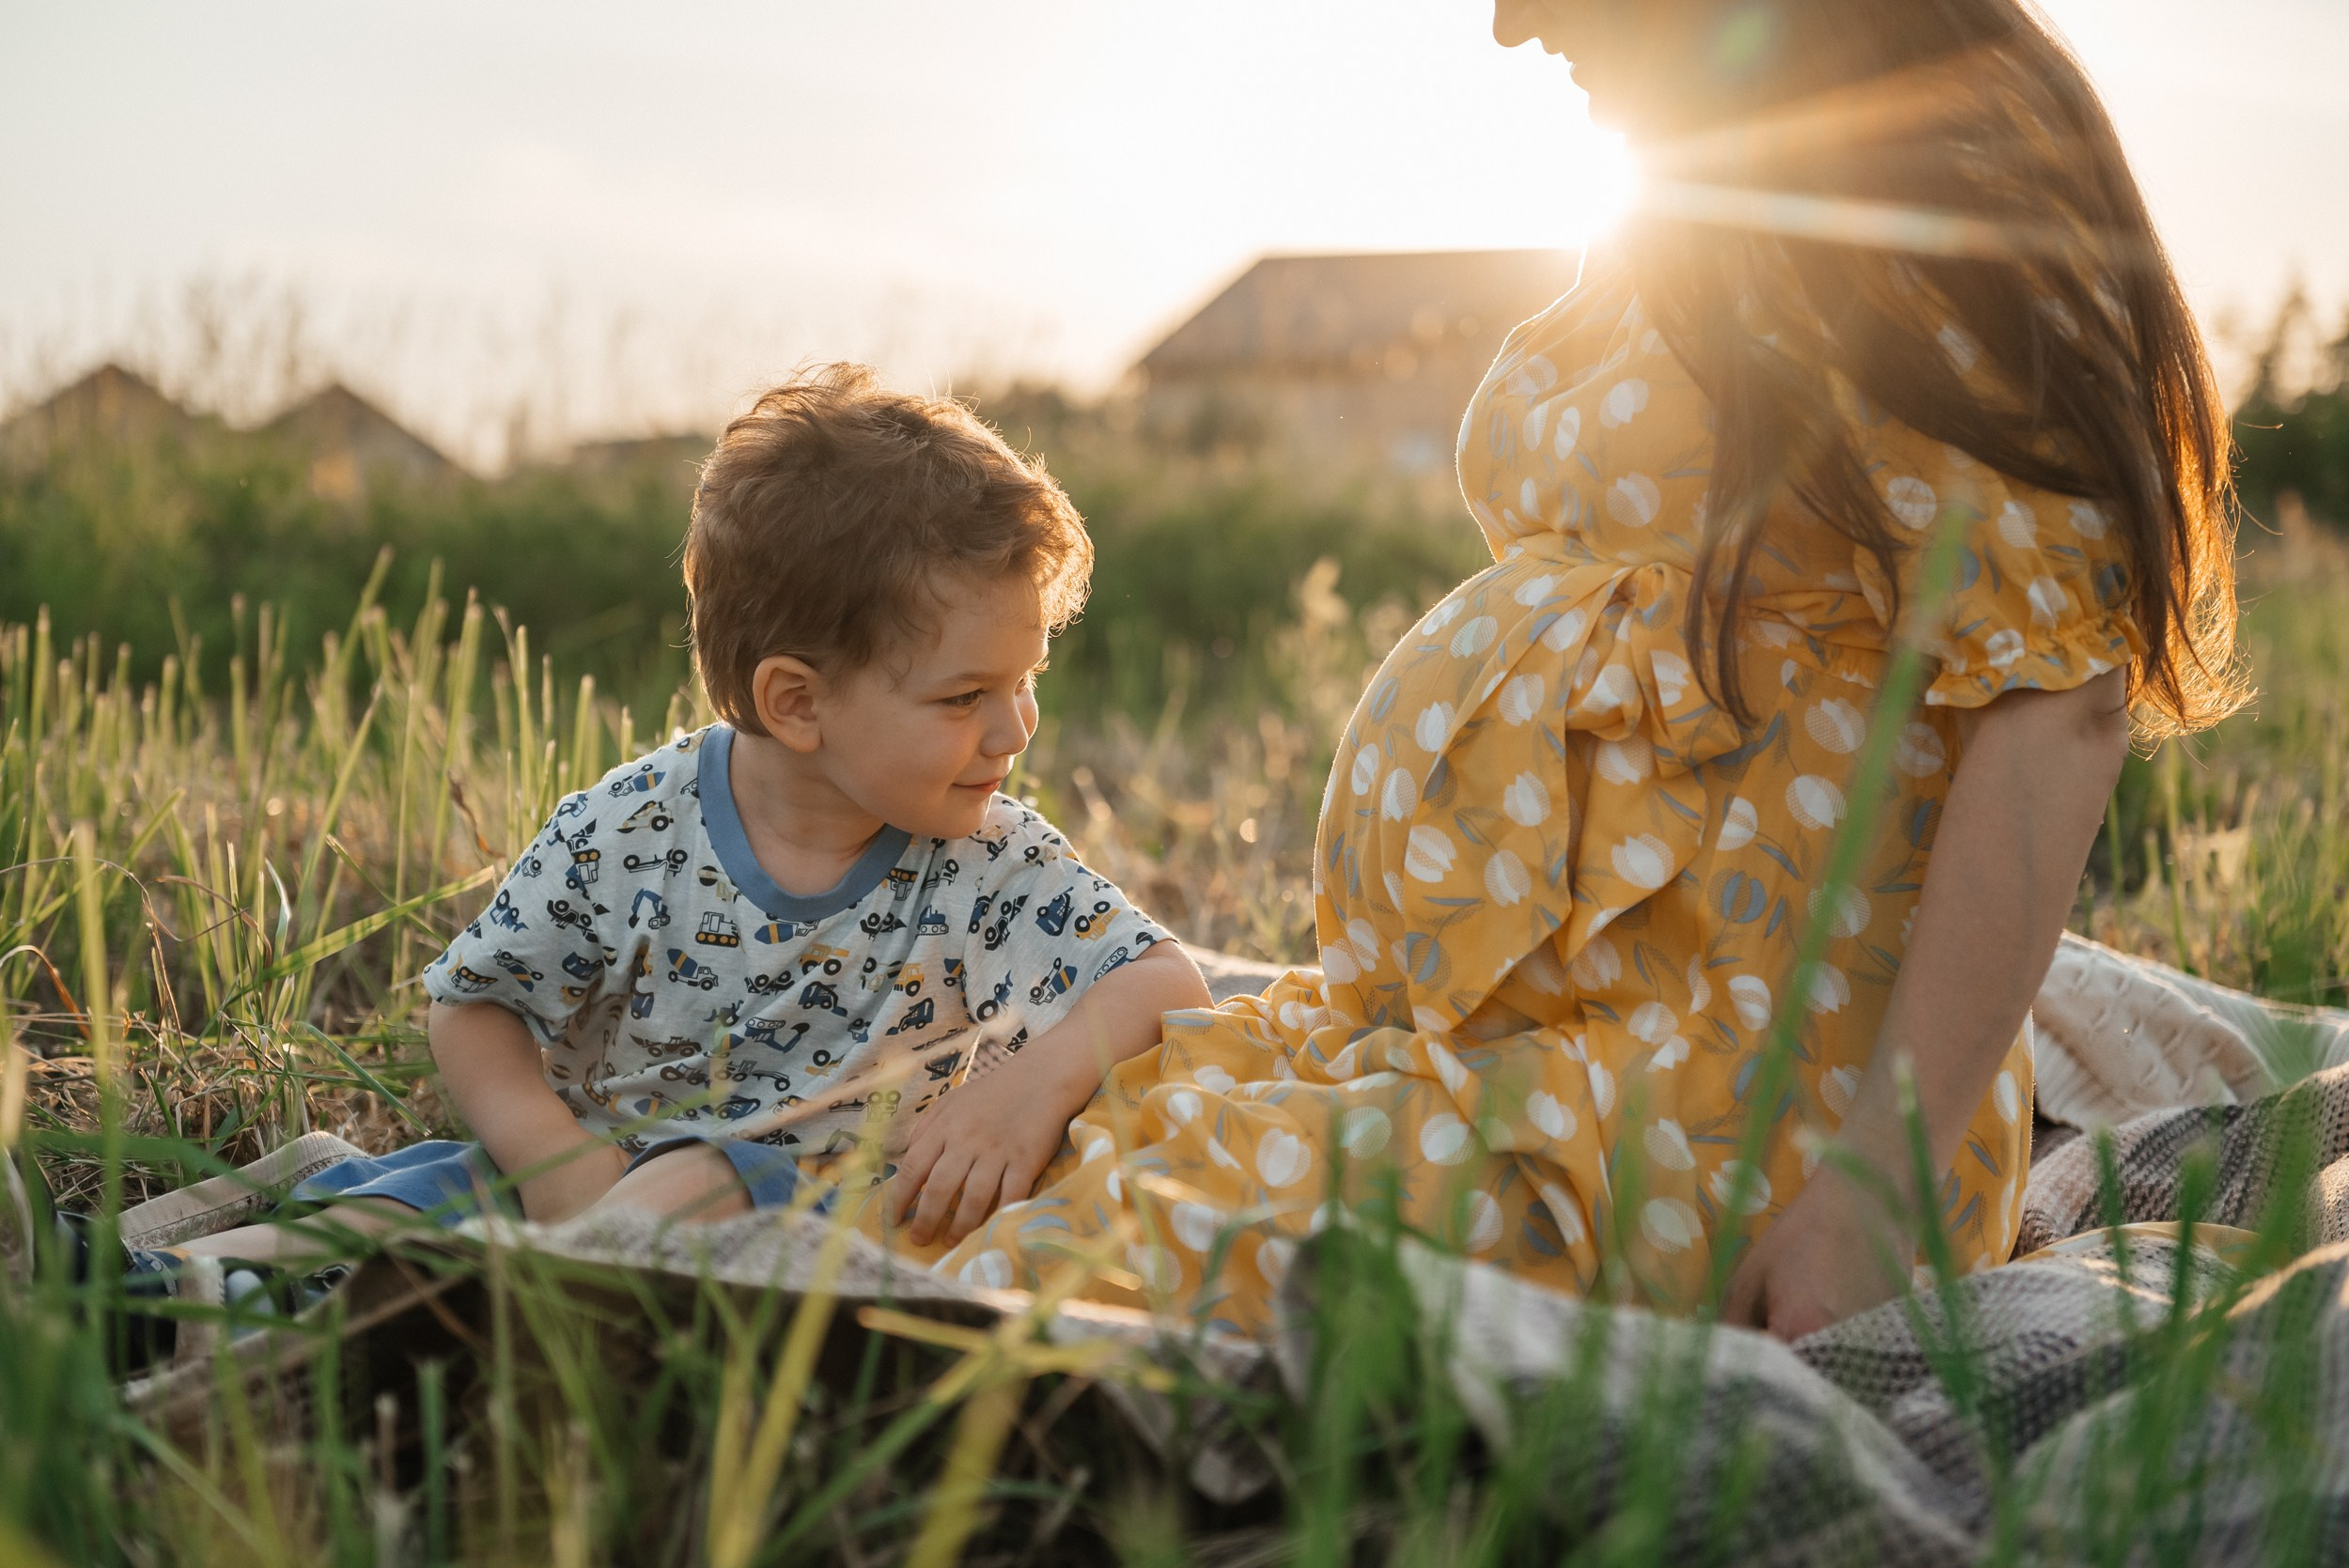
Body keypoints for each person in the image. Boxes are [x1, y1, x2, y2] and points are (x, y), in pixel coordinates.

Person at [928, 0, 2244, 1340]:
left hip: (1749, 1094)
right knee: (1109, 1146)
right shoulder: (1702, 196)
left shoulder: (1922, 191)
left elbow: (2058, 706)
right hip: (1526, 1036)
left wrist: (1877, 1180)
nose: (1508, 28)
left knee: (1148, 1256)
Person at [51, 365, 1210, 1341]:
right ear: (797, 702)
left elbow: (1162, 979)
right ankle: (147, 1289)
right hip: (586, 1174)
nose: (1015, 732)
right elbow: (475, 1007)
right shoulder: (630, 828)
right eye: (968, 695)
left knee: (711, 1176)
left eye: (1027, 682)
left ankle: (451, 1320)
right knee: (417, 1192)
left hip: (799, 1220)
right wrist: (551, 1158)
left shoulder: (991, 863)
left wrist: (1029, 1088)